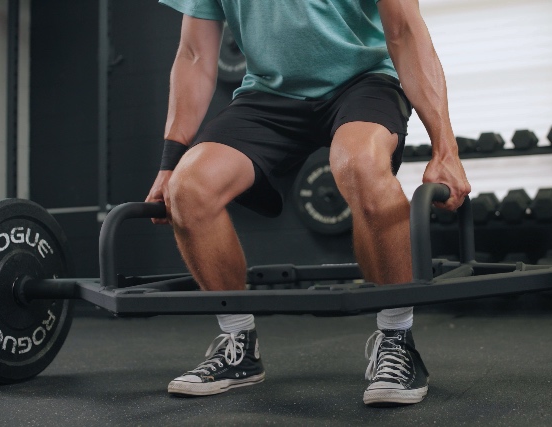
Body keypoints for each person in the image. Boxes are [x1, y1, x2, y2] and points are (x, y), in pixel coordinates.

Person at [146, 0, 471, 406]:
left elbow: (404, 29)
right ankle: (238, 344)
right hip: (268, 93)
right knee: (187, 188)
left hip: (364, 81)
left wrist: (445, 148)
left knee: (360, 166)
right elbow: (194, 55)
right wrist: (169, 164)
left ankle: (396, 339)